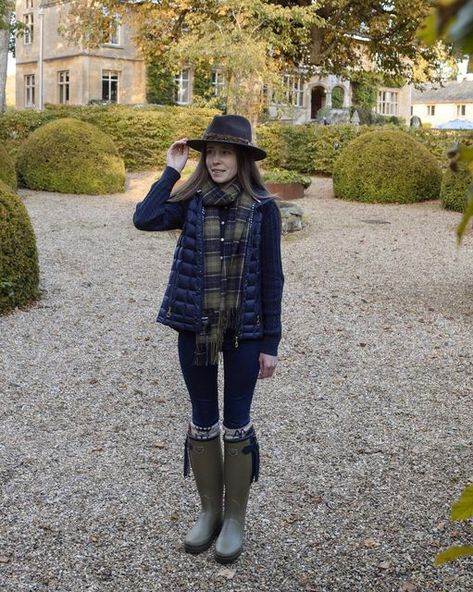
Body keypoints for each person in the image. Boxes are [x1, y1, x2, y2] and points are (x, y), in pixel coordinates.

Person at [133, 114, 284, 564]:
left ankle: (235, 519)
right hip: (193, 327)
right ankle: (209, 513)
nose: (217, 160)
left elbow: (273, 277)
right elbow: (145, 218)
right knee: (203, 419)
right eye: (210, 152)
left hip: (246, 332)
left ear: (242, 158)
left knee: (237, 420)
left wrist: (271, 342)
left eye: (226, 152)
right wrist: (171, 169)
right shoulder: (191, 201)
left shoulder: (263, 207)